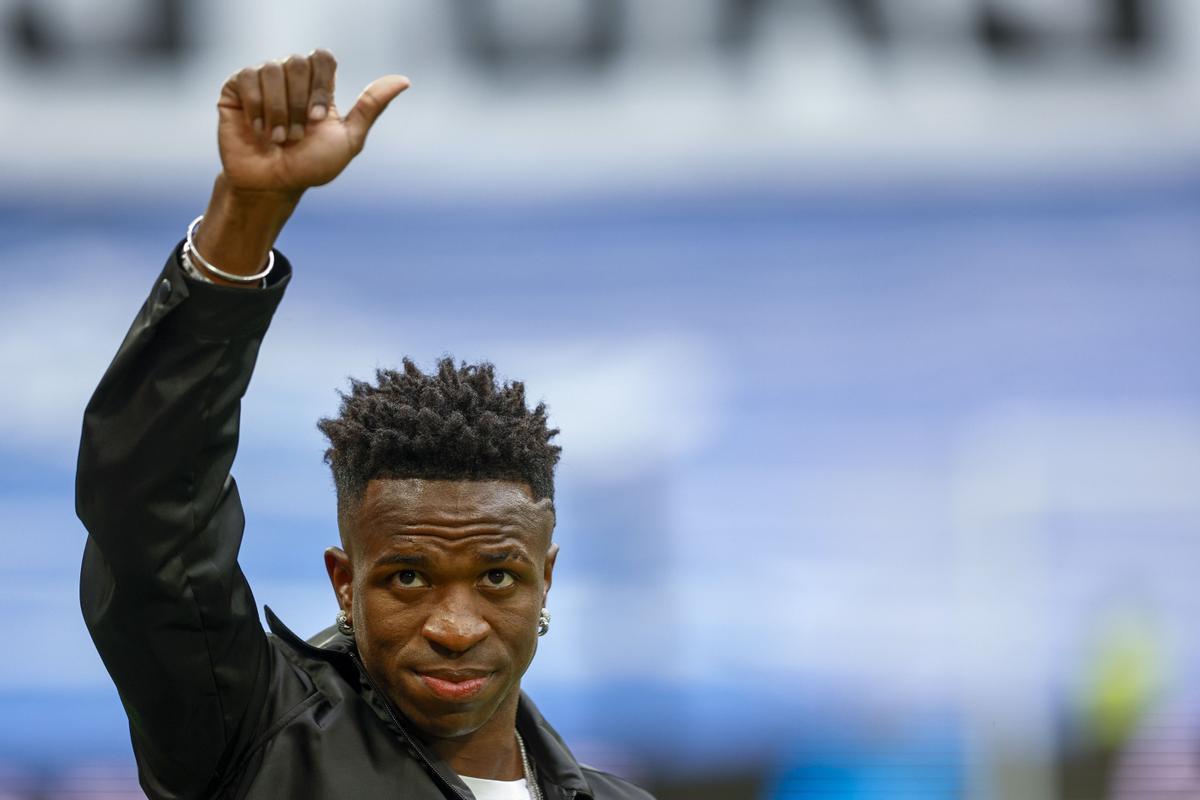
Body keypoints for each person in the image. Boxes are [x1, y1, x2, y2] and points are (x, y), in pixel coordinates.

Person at [76, 49, 655, 800]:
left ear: (545, 581)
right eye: (407, 577)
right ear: (345, 584)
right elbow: (148, 517)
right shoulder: (252, 735)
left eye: (498, 578)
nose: (455, 626)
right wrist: (242, 224)